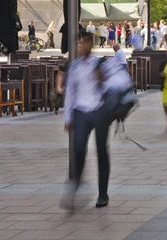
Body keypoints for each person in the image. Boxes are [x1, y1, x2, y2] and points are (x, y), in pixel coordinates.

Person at [62, 33, 111, 210]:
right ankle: (73, 191)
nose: (79, 45)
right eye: (78, 42)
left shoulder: (100, 64)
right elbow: (70, 93)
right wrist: (68, 117)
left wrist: (103, 80)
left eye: (83, 42)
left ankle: (103, 193)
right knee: (78, 151)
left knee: (101, 152)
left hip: (99, 111)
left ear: (90, 43)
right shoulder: (74, 67)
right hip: (80, 112)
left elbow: (111, 86)